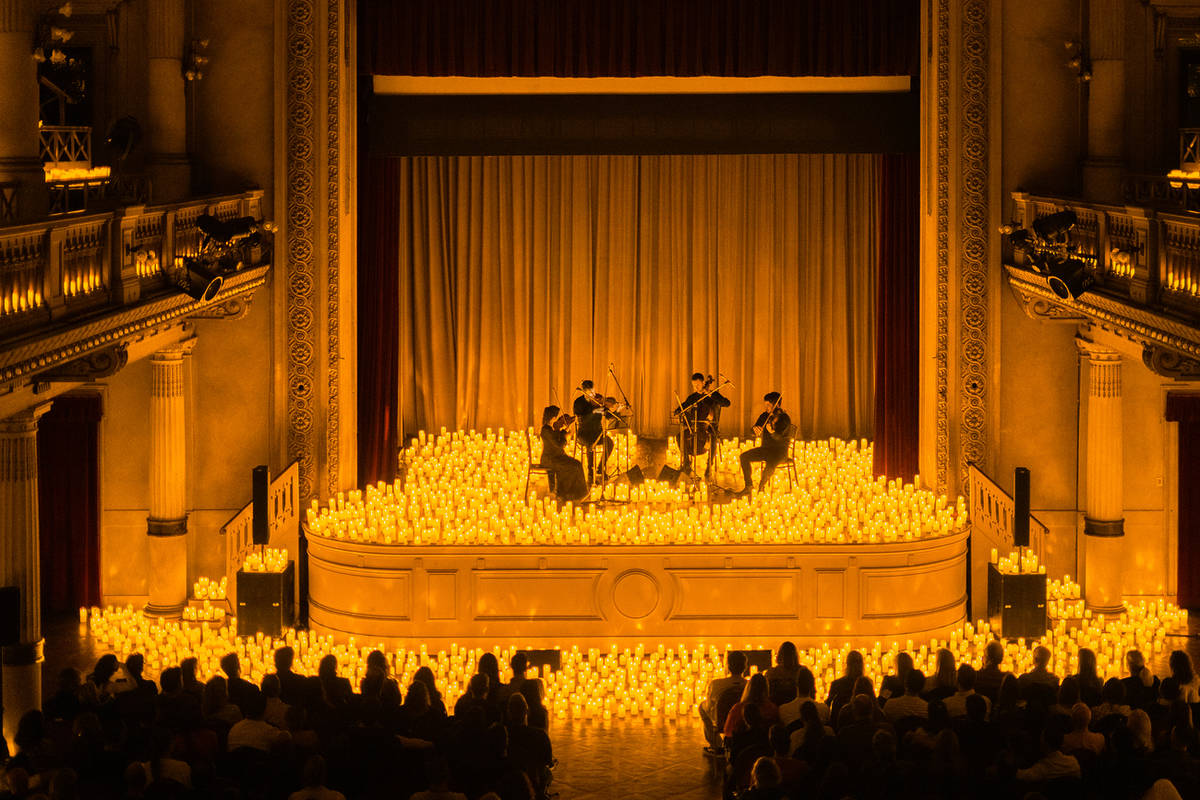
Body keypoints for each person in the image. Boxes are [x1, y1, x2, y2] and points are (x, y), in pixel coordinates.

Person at [737, 392, 791, 497]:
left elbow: (781, 439)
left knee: (770, 465)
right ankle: (748, 486)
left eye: (768, 405)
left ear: (777, 405)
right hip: (766, 449)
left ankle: (761, 488)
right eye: (765, 404)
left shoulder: (784, 418)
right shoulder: (764, 416)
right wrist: (754, 430)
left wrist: (772, 432)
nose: (766, 407)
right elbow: (753, 429)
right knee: (743, 456)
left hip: (780, 452)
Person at [676, 372, 730, 477]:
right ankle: (687, 463)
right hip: (695, 426)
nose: (696, 387)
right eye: (694, 385)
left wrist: (712, 394)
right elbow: (684, 405)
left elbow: (726, 403)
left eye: (698, 384)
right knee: (679, 436)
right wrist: (678, 410)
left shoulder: (712, 394)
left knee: (713, 438)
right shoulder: (693, 397)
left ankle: (709, 465)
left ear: (703, 383)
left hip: (709, 427)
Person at [700, 650, 747, 752]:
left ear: (728, 666)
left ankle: (716, 744)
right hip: (743, 721)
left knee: (702, 706)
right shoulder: (749, 685)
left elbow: (710, 706)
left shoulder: (716, 684)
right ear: (745, 667)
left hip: (722, 721)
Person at [538, 406, 588, 502]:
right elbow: (559, 444)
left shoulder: (551, 429)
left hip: (557, 457)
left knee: (577, 464)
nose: (558, 419)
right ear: (552, 418)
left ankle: (577, 493)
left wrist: (561, 430)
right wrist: (564, 432)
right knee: (571, 467)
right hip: (550, 459)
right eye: (557, 417)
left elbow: (557, 441)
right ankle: (564, 494)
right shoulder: (546, 430)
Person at [573, 381, 614, 483]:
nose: (593, 394)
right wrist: (593, 412)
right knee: (590, 444)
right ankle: (591, 473)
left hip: (597, 432)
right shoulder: (578, 403)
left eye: (593, 391)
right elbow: (582, 420)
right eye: (590, 392)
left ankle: (600, 469)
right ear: (584, 392)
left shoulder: (598, 399)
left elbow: (608, 415)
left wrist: (616, 411)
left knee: (609, 443)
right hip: (583, 433)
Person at [724, 674, 780, 738]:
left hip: (741, 746)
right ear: (766, 689)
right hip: (765, 746)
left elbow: (728, 732)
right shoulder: (772, 709)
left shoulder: (738, 709)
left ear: (748, 688)